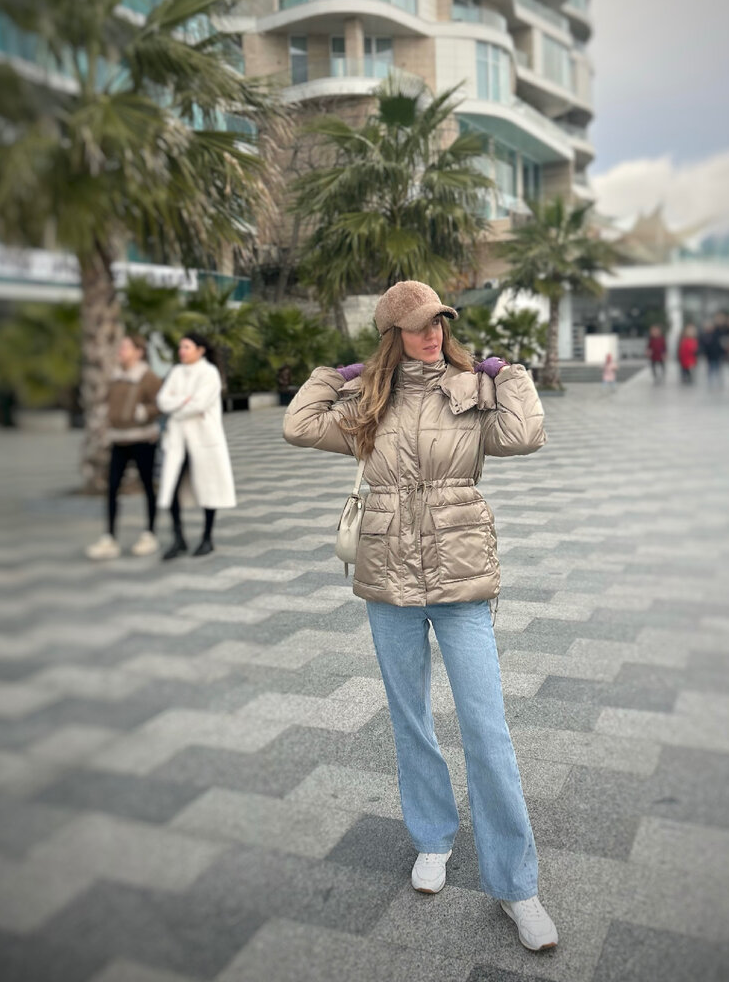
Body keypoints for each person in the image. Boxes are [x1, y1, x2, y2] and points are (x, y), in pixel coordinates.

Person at [282, 280, 557, 953]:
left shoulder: (471, 388)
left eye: (438, 322)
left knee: (486, 730)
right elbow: (297, 425)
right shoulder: (366, 404)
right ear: (392, 336)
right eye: (416, 325)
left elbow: (525, 436)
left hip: (460, 575)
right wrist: (335, 375)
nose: (431, 333)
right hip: (388, 579)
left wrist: (509, 374)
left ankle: (516, 885)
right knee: (409, 720)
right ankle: (432, 839)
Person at [156, 331, 236, 559]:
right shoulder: (176, 372)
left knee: (208, 488)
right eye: (180, 347)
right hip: (178, 440)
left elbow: (199, 404)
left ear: (200, 350)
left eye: (186, 347)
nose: (181, 351)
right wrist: (184, 402)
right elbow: (162, 401)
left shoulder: (209, 373)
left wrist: (177, 405)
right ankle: (178, 538)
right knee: (171, 487)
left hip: (204, 440)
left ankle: (207, 538)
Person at [86, 333, 162, 561]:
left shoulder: (148, 377)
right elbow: (108, 401)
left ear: (139, 352)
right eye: (120, 347)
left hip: (142, 439)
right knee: (112, 488)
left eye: (126, 347)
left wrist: (143, 412)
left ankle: (150, 534)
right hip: (118, 439)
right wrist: (105, 415)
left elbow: (159, 404)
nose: (121, 350)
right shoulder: (115, 376)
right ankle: (109, 538)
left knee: (147, 486)